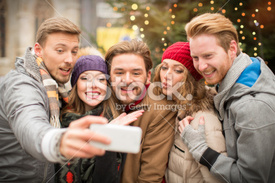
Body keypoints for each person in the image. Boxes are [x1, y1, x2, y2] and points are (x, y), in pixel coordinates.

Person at [0, 17, 111, 182]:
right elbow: (29, 124)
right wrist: (57, 141)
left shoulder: (55, 86)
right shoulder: (21, 84)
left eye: (74, 51)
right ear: (38, 50)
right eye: (60, 50)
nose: (70, 60)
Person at [179, 13, 275, 183]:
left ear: (232, 48)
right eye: (195, 58)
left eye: (208, 56)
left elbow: (250, 179)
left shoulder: (252, 106)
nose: (201, 66)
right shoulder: (237, 77)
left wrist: (200, 149)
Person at [55, 54, 144, 183]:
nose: (93, 85)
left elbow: (107, 179)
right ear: (75, 84)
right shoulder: (60, 117)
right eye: (85, 78)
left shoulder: (116, 121)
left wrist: (108, 134)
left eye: (101, 79)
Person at [105, 39, 177, 182]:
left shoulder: (161, 110)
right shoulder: (99, 100)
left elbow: (150, 175)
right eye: (119, 72)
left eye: (136, 73)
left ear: (148, 76)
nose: (127, 80)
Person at [153, 41, 226, 183]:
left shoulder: (202, 118)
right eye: (164, 67)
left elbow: (218, 178)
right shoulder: (175, 106)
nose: (167, 75)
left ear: (190, 78)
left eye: (178, 70)